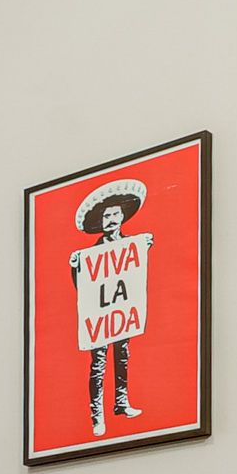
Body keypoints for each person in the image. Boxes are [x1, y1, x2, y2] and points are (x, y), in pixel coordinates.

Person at [71, 175, 152, 437]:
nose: (112, 220)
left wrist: (144, 247)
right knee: (98, 364)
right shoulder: (91, 254)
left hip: (120, 314)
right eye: (107, 216)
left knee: (123, 358)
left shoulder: (131, 245)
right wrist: (76, 267)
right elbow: (85, 289)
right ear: (100, 222)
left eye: (116, 214)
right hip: (100, 317)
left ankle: (121, 403)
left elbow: (134, 277)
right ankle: (97, 415)